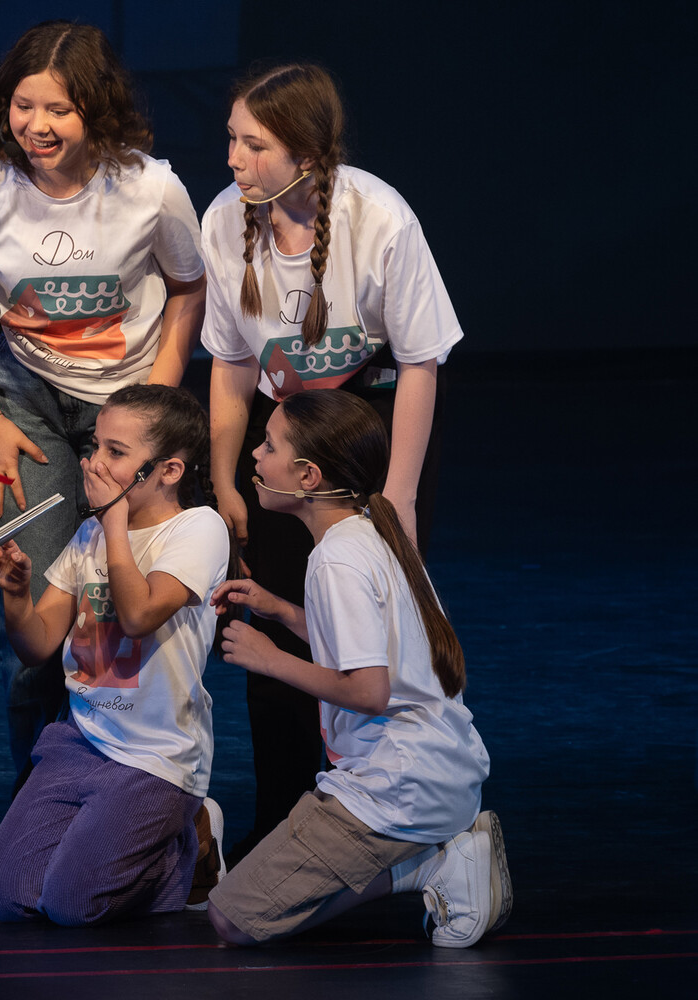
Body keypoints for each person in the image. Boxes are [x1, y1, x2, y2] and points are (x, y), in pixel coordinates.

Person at [199, 63, 463, 858]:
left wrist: (399, 497)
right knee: (274, 612)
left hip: (366, 427)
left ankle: (394, 815)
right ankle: (283, 819)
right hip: (282, 429)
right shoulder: (225, 221)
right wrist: (224, 478)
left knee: (373, 619)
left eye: (254, 144)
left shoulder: (379, 217)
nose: (234, 159)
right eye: (232, 139)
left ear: (306, 156)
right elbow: (230, 364)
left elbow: (420, 363)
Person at [0, 21, 207, 772]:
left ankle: (131, 780)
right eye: (24, 106)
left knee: (120, 601)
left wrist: (155, 403)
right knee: (27, 600)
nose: (37, 126)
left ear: (97, 109)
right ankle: (37, 792)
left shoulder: (150, 188)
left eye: (59, 109)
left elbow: (188, 289)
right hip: (23, 400)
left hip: (128, 403)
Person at [205, 389, 508, 948]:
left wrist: (270, 660)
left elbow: (369, 691)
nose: (255, 455)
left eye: (269, 446)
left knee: (234, 917)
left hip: (399, 788)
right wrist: (281, 611)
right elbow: (371, 646)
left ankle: (429, 866)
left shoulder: (335, 560)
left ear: (307, 476)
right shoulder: (372, 531)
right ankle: (437, 847)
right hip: (440, 773)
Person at [0, 385, 228, 926]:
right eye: (96, 446)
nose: (93, 463)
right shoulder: (91, 533)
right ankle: (101, 839)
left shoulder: (198, 528)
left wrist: (113, 522)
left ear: (169, 471)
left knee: (74, 905)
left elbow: (139, 616)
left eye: (116, 452)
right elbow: (38, 644)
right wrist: (16, 595)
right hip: (82, 740)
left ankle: (191, 844)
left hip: (155, 755)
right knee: (6, 898)